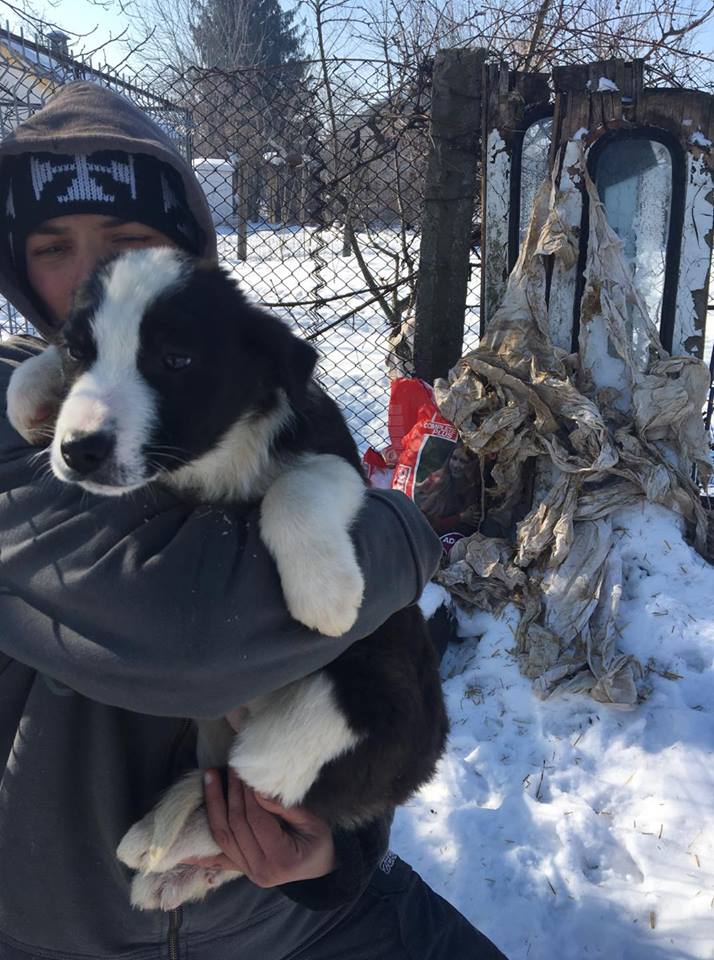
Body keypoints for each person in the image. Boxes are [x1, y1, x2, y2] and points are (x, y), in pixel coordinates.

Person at [0, 81, 507, 960]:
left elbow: (362, 650)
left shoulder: (232, 371)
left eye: (127, 239)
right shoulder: (26, 420)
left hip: (279, 912)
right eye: (51, 246)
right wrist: (405, 534)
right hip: (72, 932)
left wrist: (331, 855)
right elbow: (195, 643)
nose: (91, 273)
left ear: (187, 257)